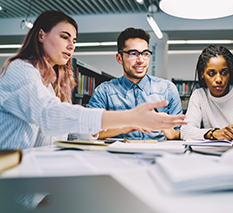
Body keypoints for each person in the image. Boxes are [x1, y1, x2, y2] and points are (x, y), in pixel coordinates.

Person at [0, 11, 186, 149]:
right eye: (64, 37)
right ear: (41, 35)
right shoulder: (20, 70)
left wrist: (128, 124)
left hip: (33, 177)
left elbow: (76, 134)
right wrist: (129, 117)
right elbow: (50, 115)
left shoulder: (49, 84)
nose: (71, 45)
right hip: (12, 180)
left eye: (74, 40)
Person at [88, 27, 183, 140]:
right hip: (118, 154)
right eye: (133, 53)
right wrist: (124, 127)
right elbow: (89, 132)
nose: (141, 60)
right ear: (119, 58)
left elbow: (180, 133)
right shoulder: (104, 91)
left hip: (159, 154)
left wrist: (169, 131)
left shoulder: (168, 89)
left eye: (145, 53)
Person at [180, 44, 233, 141]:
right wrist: (214, 133)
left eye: (224, 73)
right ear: (202, 75)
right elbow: (185, 131)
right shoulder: (199, 95)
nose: (218, 79)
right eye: (211, 73)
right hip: (212, 153)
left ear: (229, 73)